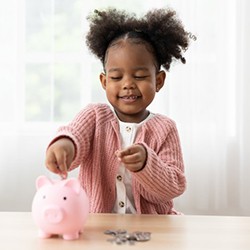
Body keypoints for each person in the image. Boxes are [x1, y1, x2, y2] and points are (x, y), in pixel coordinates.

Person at [45, 7, 191, 214]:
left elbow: (172, 187)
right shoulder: (94, 116)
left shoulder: (165, 128)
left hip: (153, 226)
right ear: (104, 81)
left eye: (139, 76)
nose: (128, 84)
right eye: (116, 77)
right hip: (97, 225)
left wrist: (146, 164)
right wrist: (64, 145)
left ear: (158, 81)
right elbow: (74, 135)